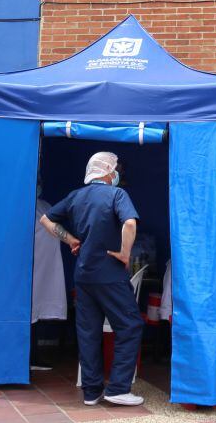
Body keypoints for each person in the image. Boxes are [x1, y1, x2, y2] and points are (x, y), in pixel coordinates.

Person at [39, 152, 145, 407]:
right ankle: (118, 388)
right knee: (130, 325)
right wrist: (125, 253)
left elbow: (47, 219)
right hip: (110, 274)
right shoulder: (117, 195)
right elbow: (129, 223)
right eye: (116, 169)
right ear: (108, 172)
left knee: (88, 332)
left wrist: (70, 240)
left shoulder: (76, 195)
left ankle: (91, 392)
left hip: (83, 275)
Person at [30, 188, 67, 370]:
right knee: (28, 312)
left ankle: (33, 356)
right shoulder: (21, 206)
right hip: (26, 269)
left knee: (36, 313)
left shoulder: (45, 206)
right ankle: (27, 358)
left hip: (44, 269)